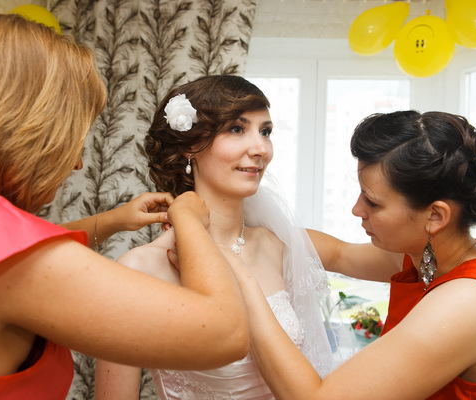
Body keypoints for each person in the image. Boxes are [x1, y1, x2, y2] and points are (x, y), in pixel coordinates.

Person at [0, 14, 251, 399]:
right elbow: (226, 332)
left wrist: (112, 221)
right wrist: (188, 221)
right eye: (73, 138)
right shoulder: (12, 260)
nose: (77, 163)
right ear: (30, 131)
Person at [233, 110, 476, 399]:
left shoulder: (469, 301)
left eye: (373, 202)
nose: (357, 210)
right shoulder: (431, 255)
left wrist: (247, 284)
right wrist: (248, 234)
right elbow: (340, 254)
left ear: (435, 216)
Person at [96, 75, 338, 400]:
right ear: (191, 146)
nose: (261, 149)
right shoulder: (138, 270)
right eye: (237, 129)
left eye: (265, 131)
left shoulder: (275, 246)